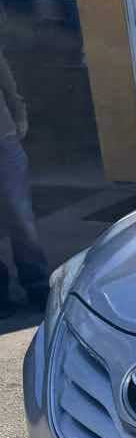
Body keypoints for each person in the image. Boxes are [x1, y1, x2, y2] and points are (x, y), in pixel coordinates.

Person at [0, 49, 48, 316]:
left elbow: (6, 82)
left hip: (4, 141)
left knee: (21, 217)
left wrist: (20, 116)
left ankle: (37, 285)